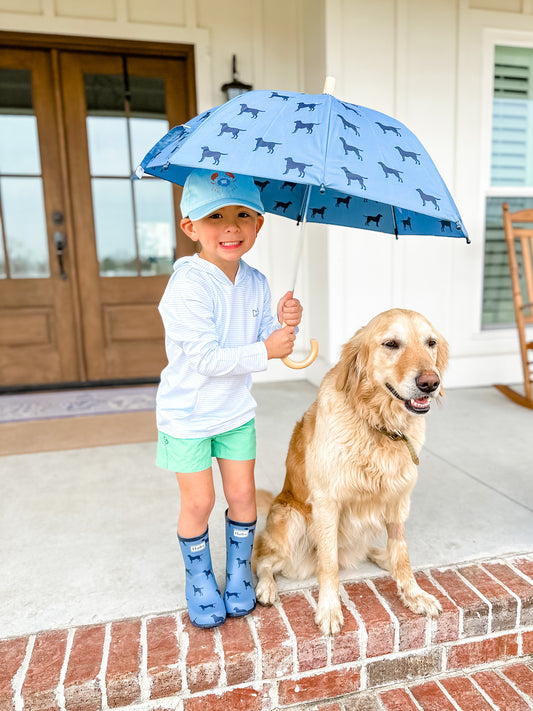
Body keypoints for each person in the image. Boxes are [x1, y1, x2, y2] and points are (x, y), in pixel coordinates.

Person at [156, 168, 303, 628]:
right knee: (198, 502)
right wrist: (265, 350)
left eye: (244, 214)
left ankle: (238, 570)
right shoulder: (188, 287)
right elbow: (206, 358)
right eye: (215, 216)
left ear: (259, 223)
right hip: (188, 416)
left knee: (242, 494)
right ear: (191, 228)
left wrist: (284, 325)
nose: (231, 226)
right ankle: (199, 578)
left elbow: (265, 339)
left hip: (235, 413)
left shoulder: (256, 283)